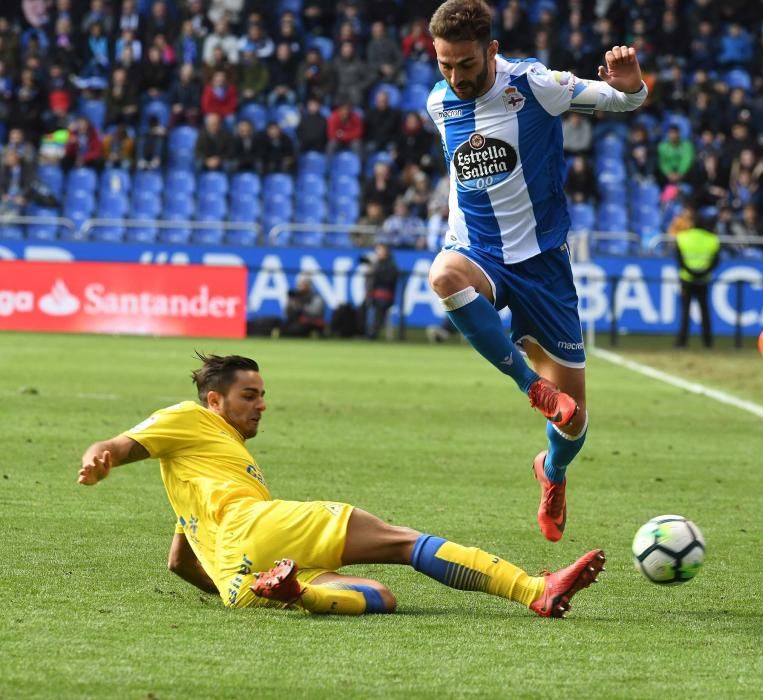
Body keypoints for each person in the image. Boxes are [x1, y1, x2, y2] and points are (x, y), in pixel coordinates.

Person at [77, 353, 605, 617]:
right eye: (249, 395)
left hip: (240, 581)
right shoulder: (190, 419)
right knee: (403, 543)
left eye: (262, 395)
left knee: (382, 598)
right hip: (258, 528)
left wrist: (232, 584)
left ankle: (294, 590)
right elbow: (119, 445)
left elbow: (179, 562)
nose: (261, 404)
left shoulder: (203, 471)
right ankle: (536, 590)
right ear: (215, 401)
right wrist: (99, 458)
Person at [425, 0, 647, 542]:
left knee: (573, 423)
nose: (455, 78)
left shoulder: (535, 83)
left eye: (466, 67)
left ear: (492, 51)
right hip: (478, 251)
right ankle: (532, 387)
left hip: (543, 264)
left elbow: (622, 101)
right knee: (443, 276)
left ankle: (552, 472)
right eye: (445, 65)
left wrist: (632, 84)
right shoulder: (438, 102)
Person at [670, 205, 721, 349]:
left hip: (686, 279)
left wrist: (691, 272)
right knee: (704, 311)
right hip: (703, 280)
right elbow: (716, 261)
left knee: (685, 312)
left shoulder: (682, 238)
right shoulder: (712, 239)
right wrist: (703, 272)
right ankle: (708, 342)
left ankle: (682, 342)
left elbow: (679, 260)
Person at [363, 243, 400, 340]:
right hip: (373, 295)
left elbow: (388, 280)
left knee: (380, 307)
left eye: (381, 250)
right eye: (378, 250)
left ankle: (373, 333)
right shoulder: (375, 263)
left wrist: (375, 272)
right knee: (362, 306)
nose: (379, 253)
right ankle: (361, 331)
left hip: (385, 295)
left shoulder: (391, 265)